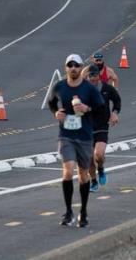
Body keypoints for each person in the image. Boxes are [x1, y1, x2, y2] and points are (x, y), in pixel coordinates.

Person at [47, 53, 104, 227]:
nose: (73, 68)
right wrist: (56, 113)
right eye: (70, 65)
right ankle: (68, 211)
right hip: (66, 136)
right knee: (68, 171)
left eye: (76, 65)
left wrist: (87, 108)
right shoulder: (60, 86)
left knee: (84, 175)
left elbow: (101, 107)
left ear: (81, 68)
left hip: (85, 136)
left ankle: (83, 211)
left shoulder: (89, 89)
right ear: (66, 68)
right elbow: (51, 102)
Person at [86, 67, 120, 192]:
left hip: (102, 126)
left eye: (94, 75)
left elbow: (117, 100)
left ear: (99, 76)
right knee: (89, 158)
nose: (92, 78)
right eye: (90, 76)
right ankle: (93, 182)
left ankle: (100, 169)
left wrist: (115, 112)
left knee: (99, 155)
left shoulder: (107, 88)